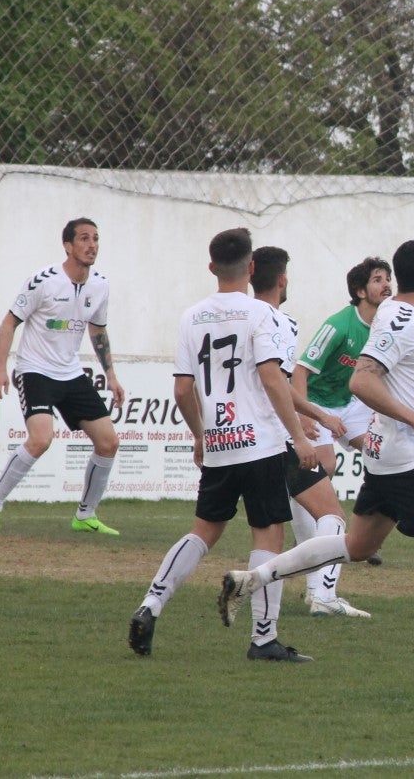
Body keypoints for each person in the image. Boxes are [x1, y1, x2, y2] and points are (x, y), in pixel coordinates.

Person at [218, 239, 414, 688]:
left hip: (388, 453)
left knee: (357, 546)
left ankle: (253, 578)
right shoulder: (405, 317)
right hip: (407, 457)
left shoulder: (396, 314)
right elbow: (362, 379)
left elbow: (401, 373)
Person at [128, 228, 318, 662]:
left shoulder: (191, 317)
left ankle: (150, 604)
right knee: (268, 532)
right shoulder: (260, 314)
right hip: (262, 443)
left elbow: (181, 390)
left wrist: (200, 434)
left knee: (203, 531)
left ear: (212, 267)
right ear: (251, 269)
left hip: (219, 443)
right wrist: (300, 436)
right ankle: (263, 638)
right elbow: (273, 379)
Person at [249, 247, 369, 619]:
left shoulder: (229, 317)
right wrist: (306, 422)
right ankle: (321, 593)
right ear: (282, 279)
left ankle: (152, 604)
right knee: (331, 514)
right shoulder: (281, 322)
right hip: (276, 438)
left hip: (239, 441)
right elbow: (280, 381)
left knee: (215, 533)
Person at [0, 218, 124, 534]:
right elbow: (10, 322)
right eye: (84, 238)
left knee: (108, 442)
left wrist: (111, 375)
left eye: (96, 238)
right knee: (41, 439)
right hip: (34, 370)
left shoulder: (100, 285)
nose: (92, 244)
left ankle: (85, 515)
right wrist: (0, 368)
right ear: (67, 246)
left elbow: (98, 329)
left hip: (70, 374)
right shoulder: (43, 281)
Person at [293, 257, 393, 567]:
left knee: (382, 454)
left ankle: (364, 539)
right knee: (324, 464)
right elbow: (299, 371)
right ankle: (308, 538)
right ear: (360, 290)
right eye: (378, 279)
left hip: (352, 403)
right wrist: (306, 416)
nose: (387, 284)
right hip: (319, 400)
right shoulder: (339, 325)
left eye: (388, 278)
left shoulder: (386, 325)